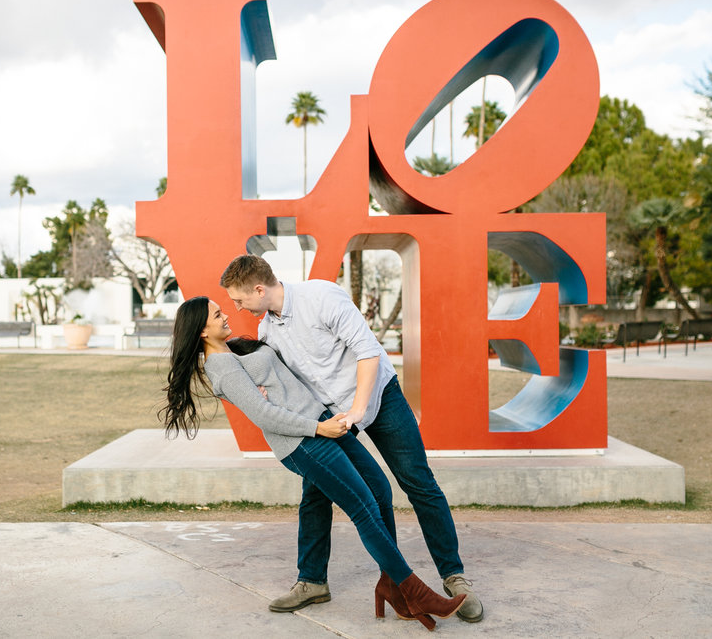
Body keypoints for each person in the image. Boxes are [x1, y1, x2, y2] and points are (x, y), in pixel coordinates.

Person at [161, 296, 465, 631]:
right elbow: (263, 414)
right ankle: (413, 591)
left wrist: (322, 419)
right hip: (303, 441)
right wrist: (318, 427)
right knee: (363, 505)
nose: (226, 315)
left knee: (379, 490)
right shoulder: (220, 367)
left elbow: (278, 382)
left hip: (322, 422)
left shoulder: (233, 348)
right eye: (217, 314)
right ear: (202, 330)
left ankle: (390, 585)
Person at [220, 255, 483, 623]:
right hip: (331, 417)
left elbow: (367, 349)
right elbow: (280, 381)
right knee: (315, 493)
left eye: (239, 299)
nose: (237, 307)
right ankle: (313, 581)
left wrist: (358, 410)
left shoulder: (322, 296)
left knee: (419, 483)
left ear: (259, 289)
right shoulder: (267, 333)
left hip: (378, 397)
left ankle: (455, 577)